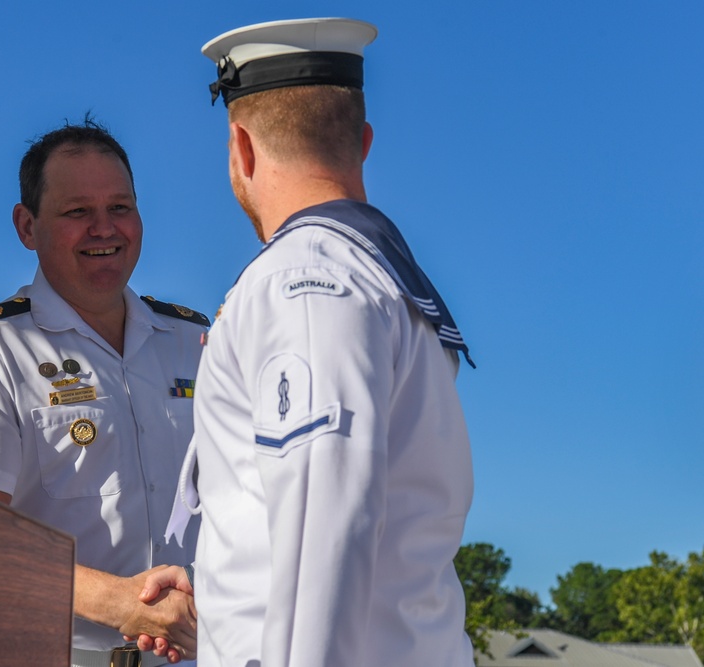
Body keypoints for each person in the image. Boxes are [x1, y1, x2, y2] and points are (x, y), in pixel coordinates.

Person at [146, 17, 477, 666]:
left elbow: (323, 530)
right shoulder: (388, 283)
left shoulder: (304, 283)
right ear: (364, 143)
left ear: (240, 147)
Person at [0, 118, 207, 667]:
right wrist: (121, 603)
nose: (105, 229)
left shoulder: (196, 342)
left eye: (120, 208)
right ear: (27, 227)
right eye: (78, 213)